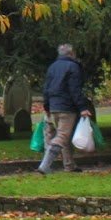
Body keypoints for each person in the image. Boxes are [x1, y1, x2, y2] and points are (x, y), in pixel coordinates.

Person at [38, 43, 93, 174]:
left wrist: (47, 106)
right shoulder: (73, 67)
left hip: (53, 106)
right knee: (62, 136)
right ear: (72, 53)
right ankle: (45, 166)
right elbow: (75, 89)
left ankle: (69, 165)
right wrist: (82, 107)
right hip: (66, 107)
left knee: (60, 135)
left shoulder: (52, 67)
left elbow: (46, 89)